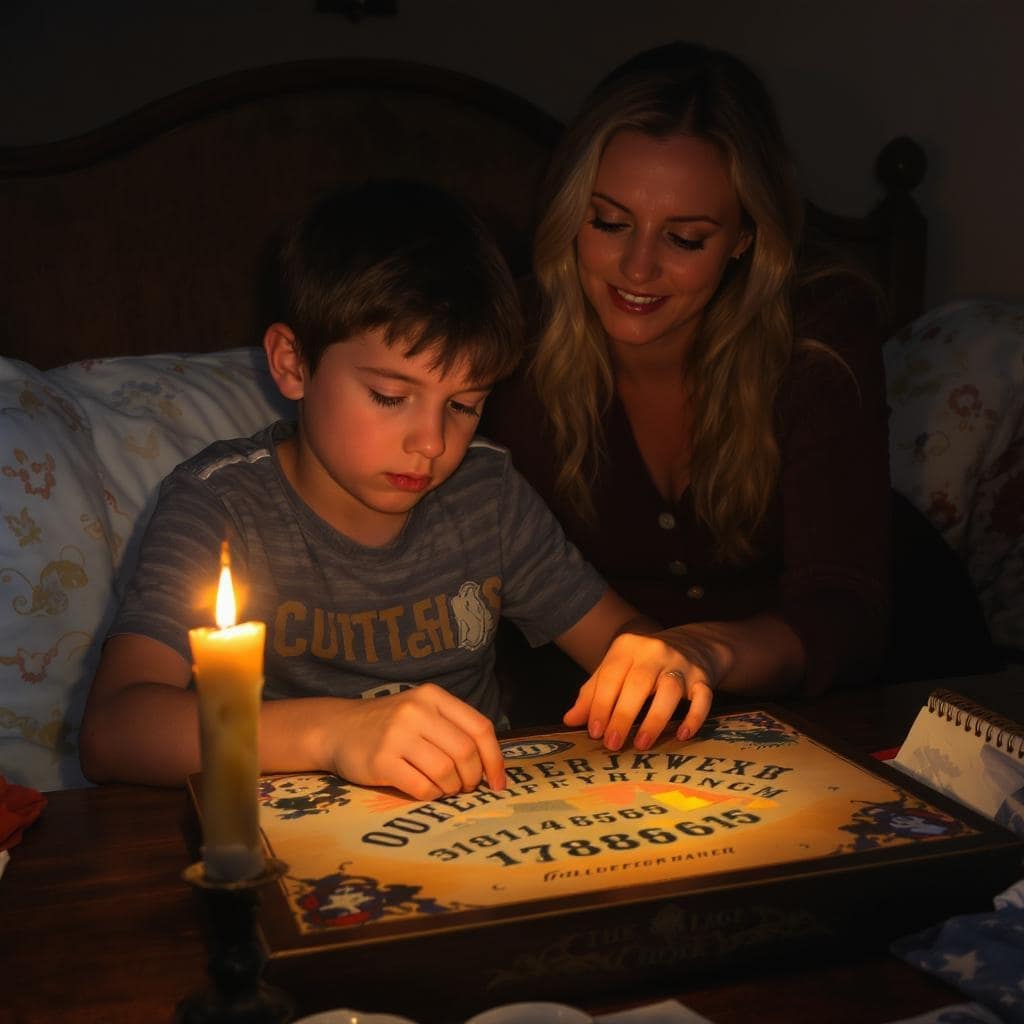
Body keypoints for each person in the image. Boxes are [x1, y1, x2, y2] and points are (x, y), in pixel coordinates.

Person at [78, 179, 715, 802]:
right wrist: (333, 732)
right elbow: (114, 731)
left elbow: (624, 637)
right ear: (293, 363)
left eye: (463, 406)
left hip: (485, 825)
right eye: (389, 396)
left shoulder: (486, 495)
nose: (432, 443)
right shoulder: (222, 507)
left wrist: (657, 662)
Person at [484, 41, 998, 720]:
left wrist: (703, 651)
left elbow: (845, 611)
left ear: (745, 237)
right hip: (633, 716)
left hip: (883, 684)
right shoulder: (510, 338)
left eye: (684, 238)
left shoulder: (817, 333)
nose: (636, 268)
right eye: (608, 222)